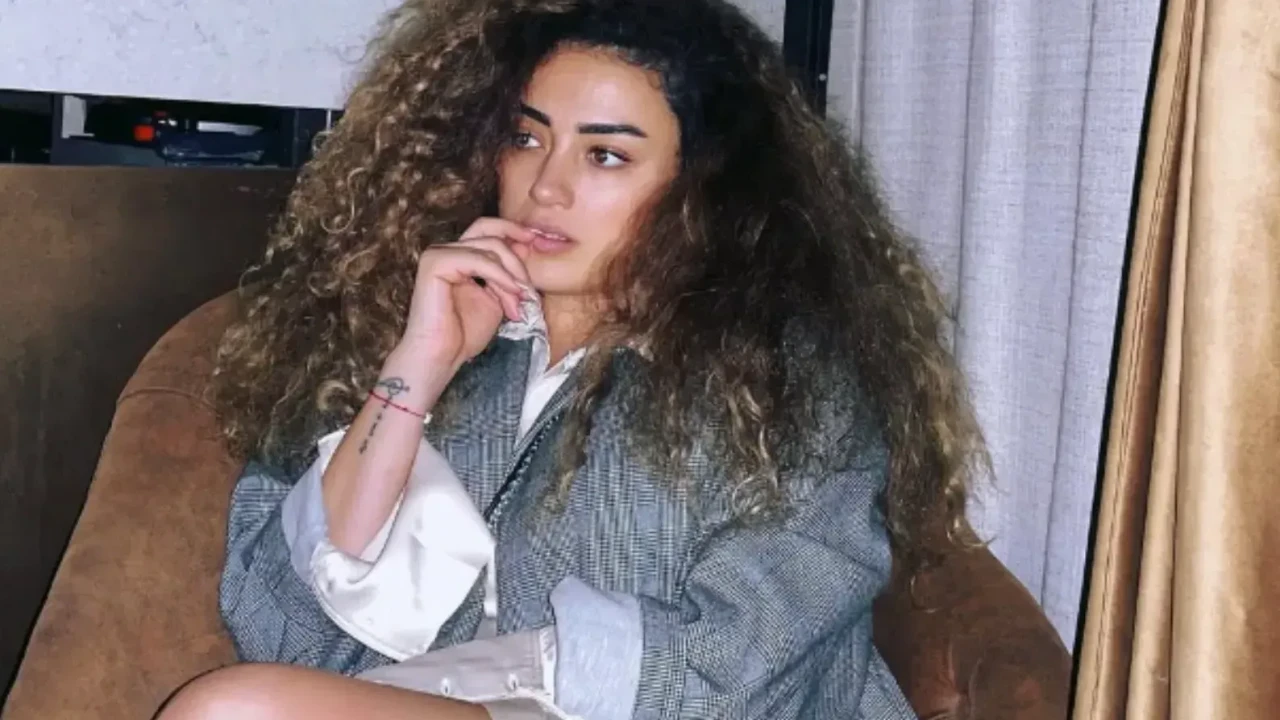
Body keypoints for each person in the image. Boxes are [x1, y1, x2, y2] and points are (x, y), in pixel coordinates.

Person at [157, 0, 988, 718]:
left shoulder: (784, 379)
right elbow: (276, 629)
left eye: (605, 154)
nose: (546, 187)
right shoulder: (406, 327)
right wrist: (417, 370)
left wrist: (484, 681)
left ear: (704, 187)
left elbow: (743, 669)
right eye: (526, 138)